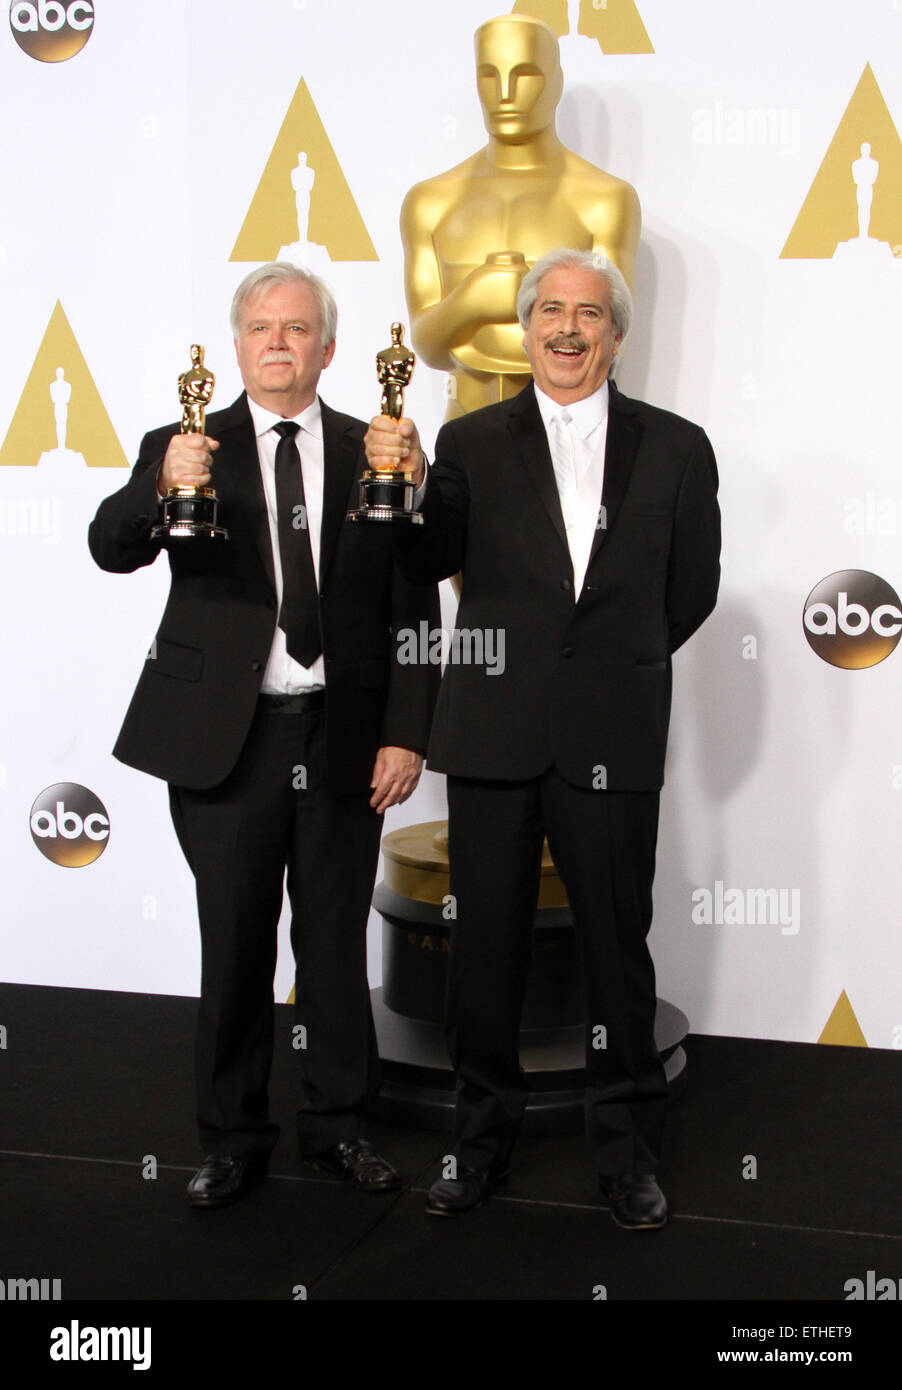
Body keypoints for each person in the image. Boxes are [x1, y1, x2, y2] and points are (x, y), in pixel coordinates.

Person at [364, 247, 720, 1229]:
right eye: (550, 311)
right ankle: (477, 1145)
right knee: (483, 956)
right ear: (525, 329)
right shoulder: (469, 441)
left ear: (616, 334)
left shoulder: (677, 448)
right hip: (490, 736)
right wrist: (398, 490)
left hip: (611, 735)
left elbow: (686, 591)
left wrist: (614, 667)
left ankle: (624, 1153)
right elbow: (430, 559)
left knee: (616, 954)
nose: (567, 328)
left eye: (589, 313)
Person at [89, 262, 440, 1208]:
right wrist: (160, 485)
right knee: (234, 942)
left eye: (296, 328)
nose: (277, 341)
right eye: (260, 328)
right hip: (226, 742)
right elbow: (111, 545)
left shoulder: (385, 447)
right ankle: (231, 1137)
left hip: (344, 737)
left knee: (332, 946)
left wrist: (408, 731)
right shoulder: (185, 441)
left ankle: (338, 1128)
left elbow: (418, 598)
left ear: (328, 348)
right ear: (237, 347)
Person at [401, 12, 640, 418]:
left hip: (572, 429)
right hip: (464, 430)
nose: (505, 94)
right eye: (489, 77)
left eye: (525, 75)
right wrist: (472, 302)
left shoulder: (606, 200)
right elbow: (425, 344)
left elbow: (611, 341)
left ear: (557, 82)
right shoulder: (430, 201)